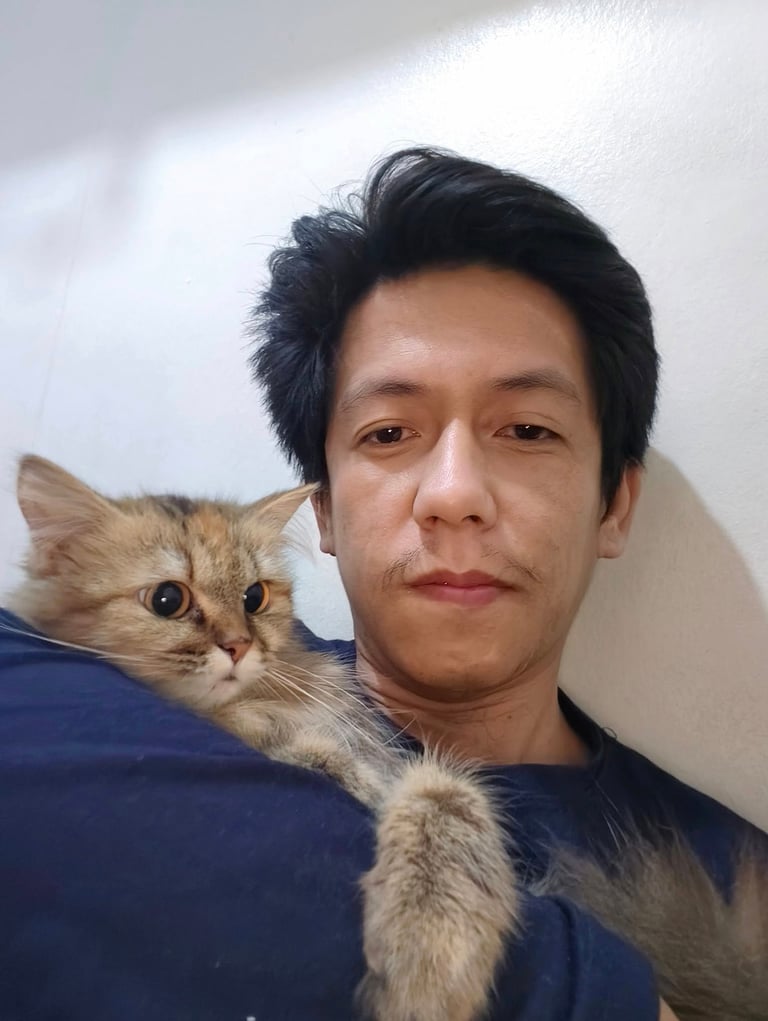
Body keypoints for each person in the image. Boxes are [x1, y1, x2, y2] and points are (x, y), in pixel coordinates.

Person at [0, 147, 762, 1021]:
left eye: (527, 428)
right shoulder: (78, 695)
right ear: (323, 513)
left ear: (614, 506)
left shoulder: (738, 869)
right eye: (390, 432)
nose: (454, 495)